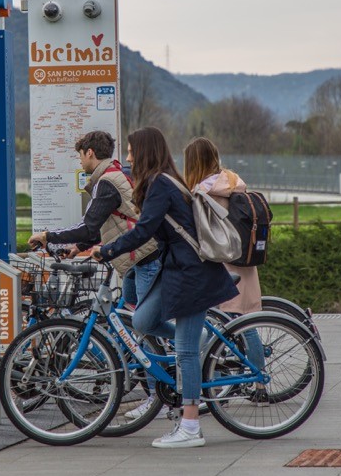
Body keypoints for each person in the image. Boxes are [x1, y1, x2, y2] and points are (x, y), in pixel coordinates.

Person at [95, 126, 238, 448]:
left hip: (193, 273)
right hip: (178, 268)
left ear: (145, 152)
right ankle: (203, 340)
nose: (128, 156)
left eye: (131, 150)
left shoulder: (160, 183)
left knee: (185, 352)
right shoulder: (162, 182)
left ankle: (190, 426)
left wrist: (109, 250)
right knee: (143, 321)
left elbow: (143, 231)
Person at [28, 130, 162, 419]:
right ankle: (163, 375)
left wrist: (48, 235)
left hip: (144, 257)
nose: (79, 161)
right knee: (132, 321)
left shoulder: (107, 182)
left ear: (90, 153)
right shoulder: (112, 176)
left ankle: (158, 396)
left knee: (145, 328)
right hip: (133, 259)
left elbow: (90, 226)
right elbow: (104, 224)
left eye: (80, 155)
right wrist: (78, 247)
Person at [182, 136, 266, 376]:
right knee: (244, 323)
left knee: (230, 325)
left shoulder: (203, 192)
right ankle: (251, 380)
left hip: (223, 263)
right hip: (244, 261)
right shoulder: (233, 182)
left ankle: (253, 379)